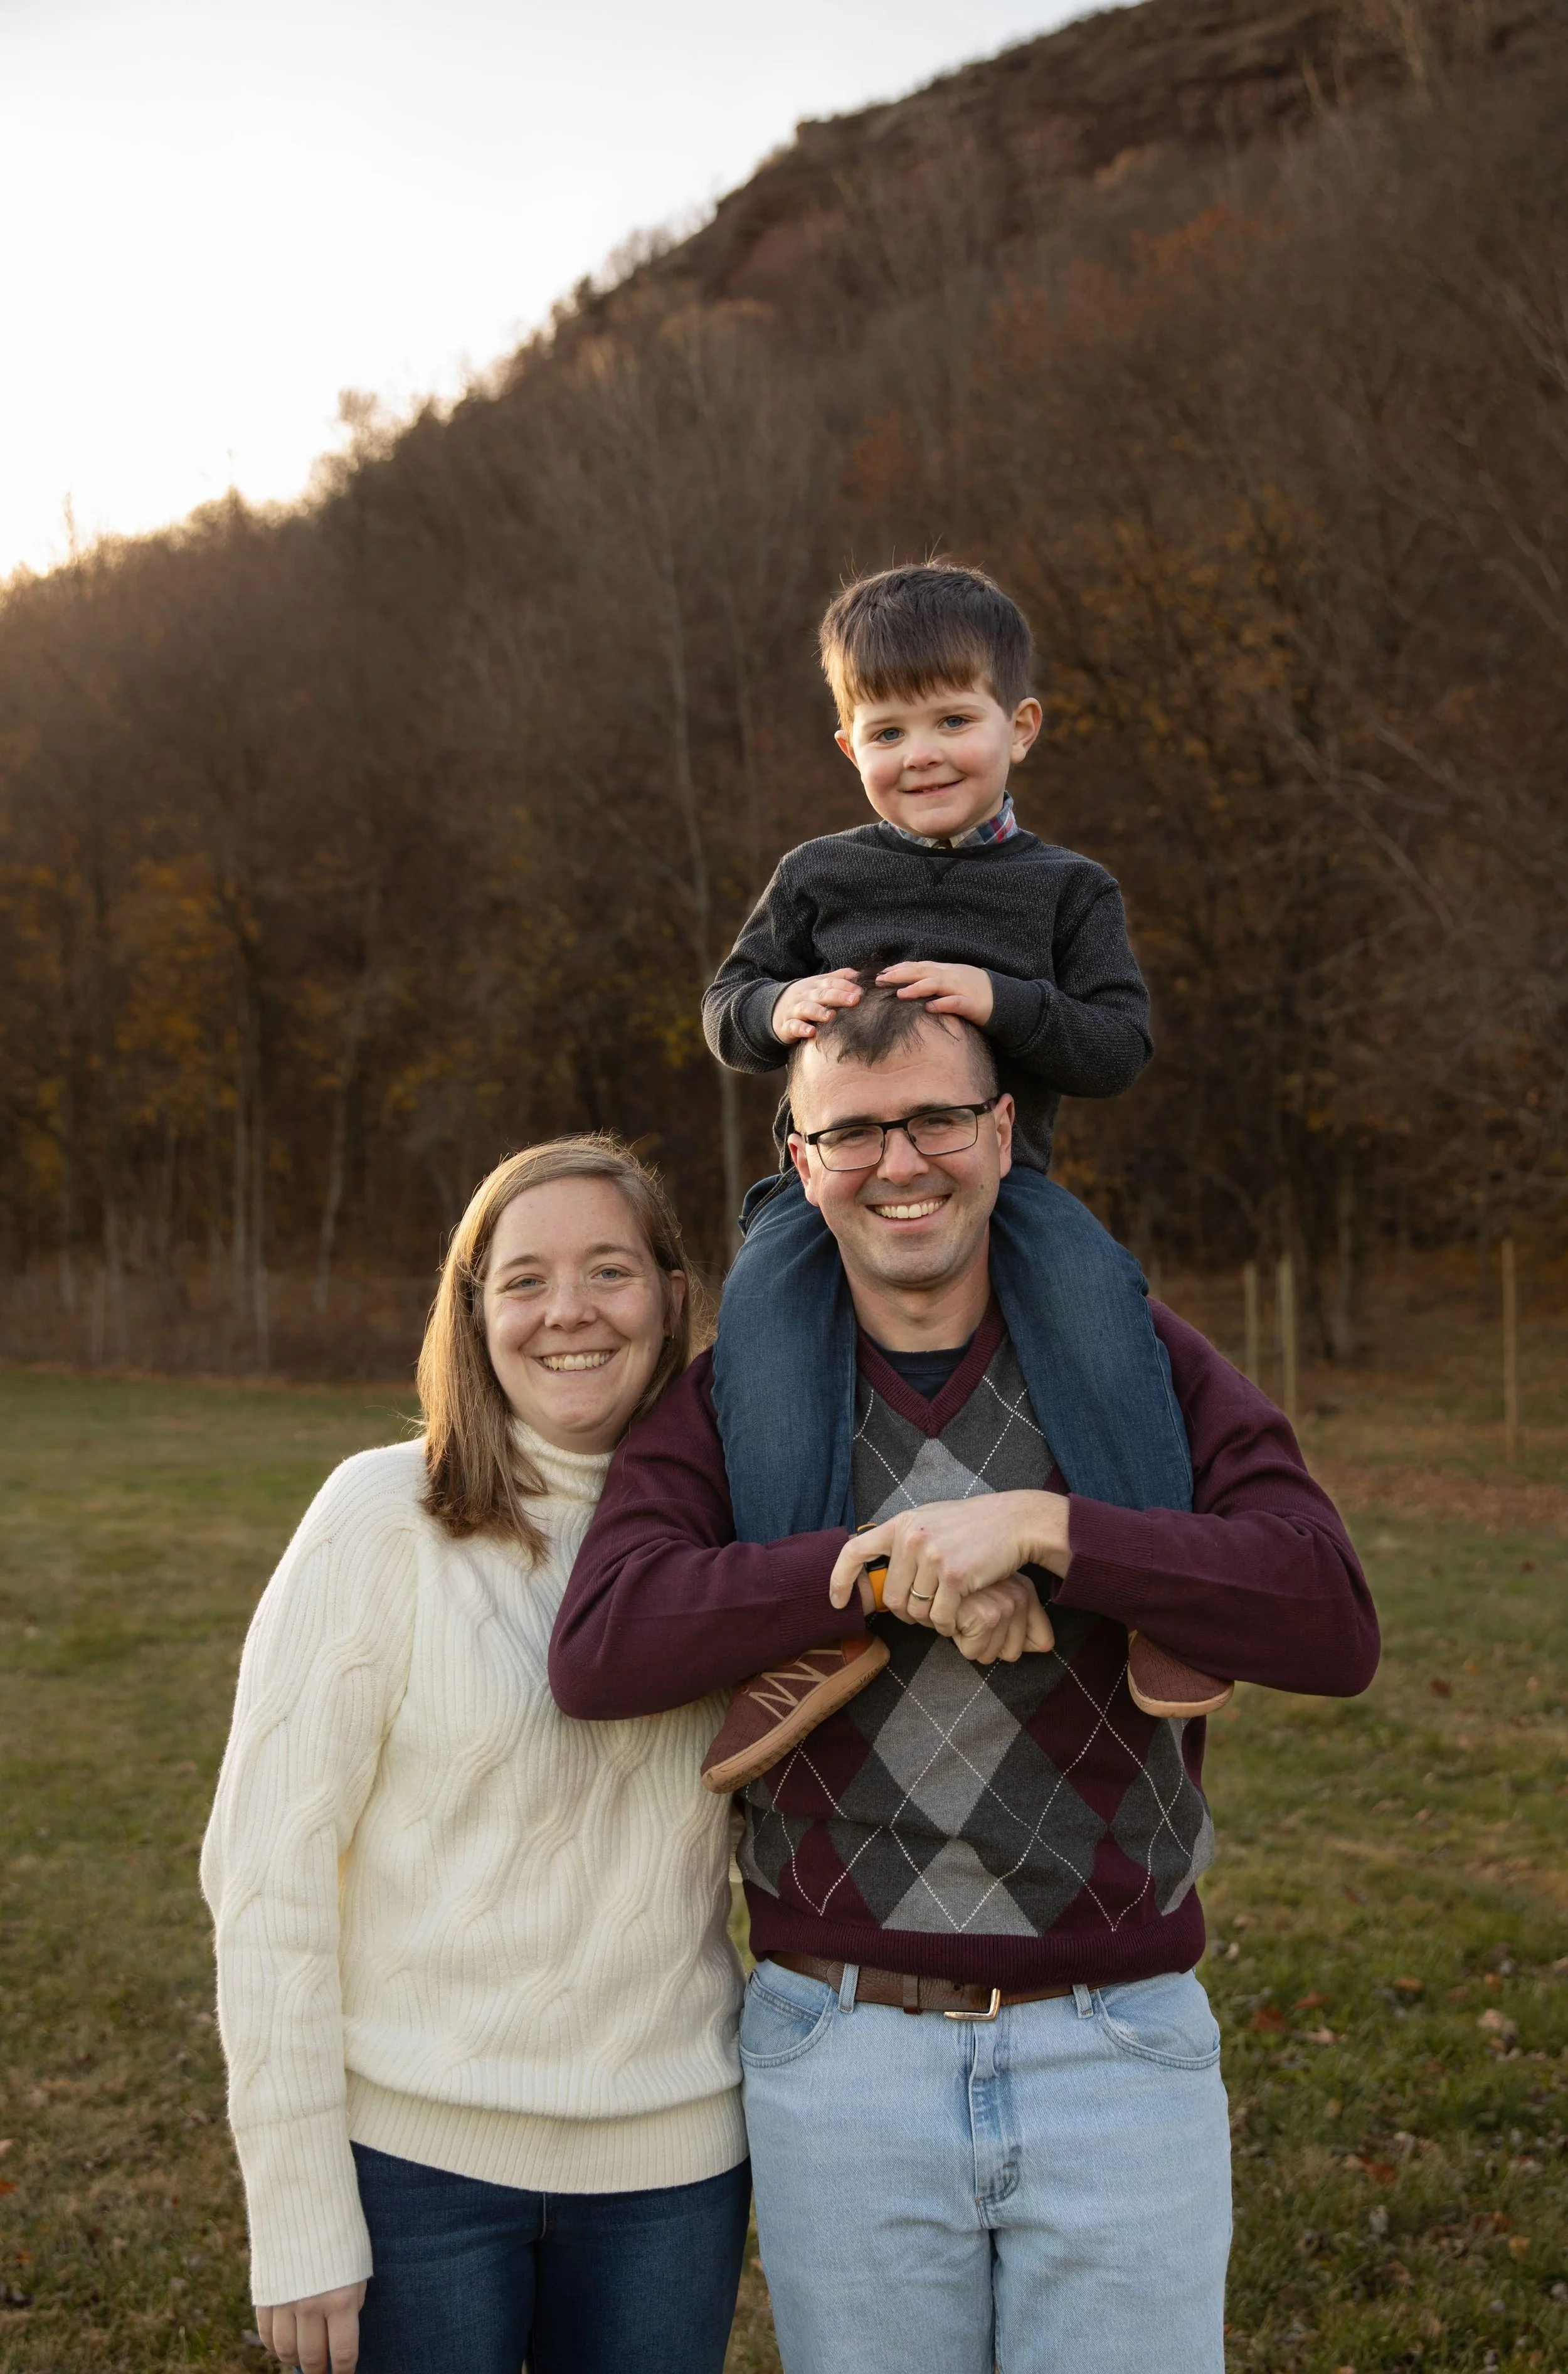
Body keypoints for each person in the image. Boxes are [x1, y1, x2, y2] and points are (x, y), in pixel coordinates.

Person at [550, 990, 1380, 2374]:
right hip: (841, 2043)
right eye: (855, 1132)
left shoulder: (1129, 1359)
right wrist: (878, 1564)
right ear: (799, 1160)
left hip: (1112, 2040)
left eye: (937, 1117)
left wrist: (1053, 1528)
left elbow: (1327, 1617)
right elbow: (603, 1644)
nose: (901, 1161)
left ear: (1001, 1133)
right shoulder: (739, 1393)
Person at [201, 1139, 750, 2374]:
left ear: (670, 1295)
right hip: (415, 2169)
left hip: (670, 2170)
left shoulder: (737, 1536)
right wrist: (296, 2206)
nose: (568, 1310)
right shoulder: (377, 1518)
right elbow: (266, 1876)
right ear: (472, 1308)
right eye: (524, 1278)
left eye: (609, 1269)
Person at [700, 563, 1227, 1787]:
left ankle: (1166, 1591)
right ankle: (803, 1624)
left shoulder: (1062, 890)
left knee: (1101, 1296)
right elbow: (723, 1010)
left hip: (1002, 1181)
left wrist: (1006, 1000)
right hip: (822, 1188)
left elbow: (1116, 1044)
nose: (920, 752)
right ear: (846, 743)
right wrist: (782, 1003)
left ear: (1017, 727)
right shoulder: (816, 878)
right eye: (886, 730)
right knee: (762, 1316)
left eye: (952, 719)